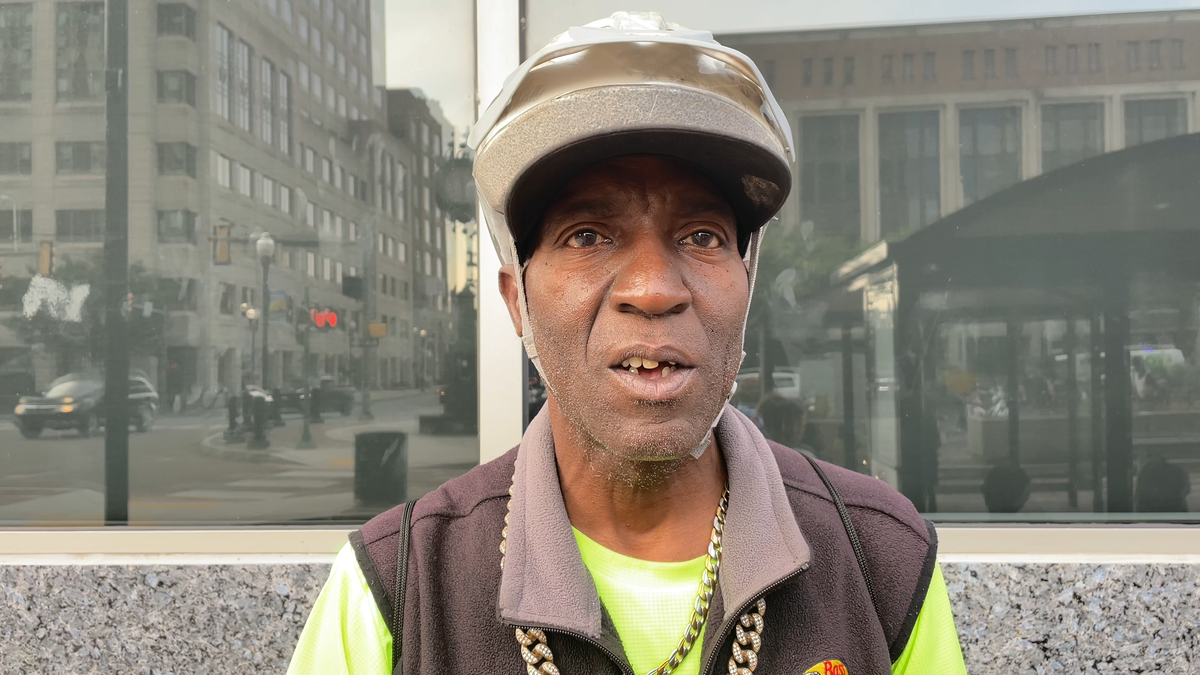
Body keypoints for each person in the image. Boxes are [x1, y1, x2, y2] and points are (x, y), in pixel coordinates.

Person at [288, 13, 967, 675]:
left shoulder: (880, 559)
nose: (651, 288)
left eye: (702, 235)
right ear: (514, 299)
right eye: (587, 234)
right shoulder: (397, 592)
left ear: (747, 285)